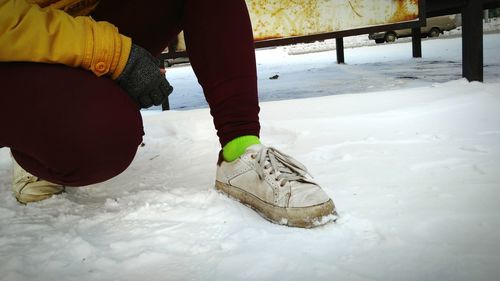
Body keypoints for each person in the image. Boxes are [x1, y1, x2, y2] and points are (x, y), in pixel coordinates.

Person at [0, 0, 336, 228]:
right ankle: (37, 136)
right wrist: (112, 52)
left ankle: (240, 151)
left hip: (84, 17)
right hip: (14, 49)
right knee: (101, 136)